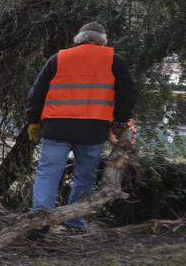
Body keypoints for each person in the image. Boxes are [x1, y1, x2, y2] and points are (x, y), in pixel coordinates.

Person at [25, 21, 138, 229]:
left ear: (78, 38)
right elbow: (128, 94)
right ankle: (75, 222)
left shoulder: (58, 58)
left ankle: (38, 222)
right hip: (93, 130)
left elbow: (36, 93)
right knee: (85, 176)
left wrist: (33, 121)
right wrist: (119, 122)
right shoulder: (114, 60)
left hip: (56, 127)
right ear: (102, 41)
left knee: (48, 173)